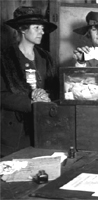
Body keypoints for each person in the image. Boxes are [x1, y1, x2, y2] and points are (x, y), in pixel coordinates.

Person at [1, 6, 58, 157]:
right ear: (22, 29)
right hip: (14, 130)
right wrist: (31, 104)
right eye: (37, 27)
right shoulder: (5, 58)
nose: (42, 31)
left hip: (43, 126)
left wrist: (45, 98)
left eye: (42, 27)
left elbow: (54, 88)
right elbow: (1, 95)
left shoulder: (46, 58)